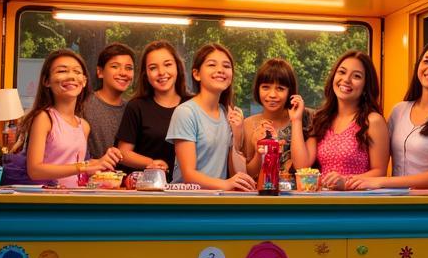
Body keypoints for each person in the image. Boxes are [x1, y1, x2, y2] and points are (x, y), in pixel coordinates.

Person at [347, 41, 428, 191]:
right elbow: (377, 156)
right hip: (395, 200)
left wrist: (382, 182)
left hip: (426, 202)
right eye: (426, 61)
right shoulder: (399, 110)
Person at [20, 49, 121, 187]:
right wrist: (84, 166)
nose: (72, 76)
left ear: (84, 81)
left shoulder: (84, 126)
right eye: (62, 71)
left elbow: (78, 172)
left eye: (77, 72)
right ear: (46, 81)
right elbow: (35, 170)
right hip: (47, 201)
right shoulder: (44, 118)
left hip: (74, 200)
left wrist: (100, 163)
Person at [289, 50, 389, 189]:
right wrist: (296, 120)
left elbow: (380, 172)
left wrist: (346, 181)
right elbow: (302, 166)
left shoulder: (373, 121)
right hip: (322, 202)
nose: (346, 79)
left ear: (366, 86)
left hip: (356, 202)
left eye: (357, 76)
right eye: (342, 72)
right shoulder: (322, 119)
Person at [166, 42, 255, 191]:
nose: (220, 70)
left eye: (226, 66)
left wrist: (237, 136)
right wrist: (226, 184)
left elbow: (235, 173)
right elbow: (189, 175)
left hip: (217, 201)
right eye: (212, 65)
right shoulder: (185, 112)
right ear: (196, 74)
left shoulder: (227, 113)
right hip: (187, 203)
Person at [116, 41, 188, 173]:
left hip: (190, 189)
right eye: (153, 68)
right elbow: (123, 153)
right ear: (146, 74)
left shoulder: (193, 104)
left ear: (177, 67)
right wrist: (151, 163)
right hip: (148, 188)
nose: (161, 72)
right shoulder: (136, 107)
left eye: (167, 64)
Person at [241, 58, 308, 178]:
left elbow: (302, 169)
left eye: (280, 89)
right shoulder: (248, 124)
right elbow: (248, 174)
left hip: (296, 194)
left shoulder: (305, 118)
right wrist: (258, 152)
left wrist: (296, 120)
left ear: (290, 91)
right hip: (262, 193)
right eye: (265, 87)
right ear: (258, 88)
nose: (272, 95)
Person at [82, 43, 135, 159]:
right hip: (93, 175)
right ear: (100, 72)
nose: (123, 73)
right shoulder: (84, 106)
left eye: (129, 68)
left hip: (130, 176)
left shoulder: (133, 109)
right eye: (115, 66)